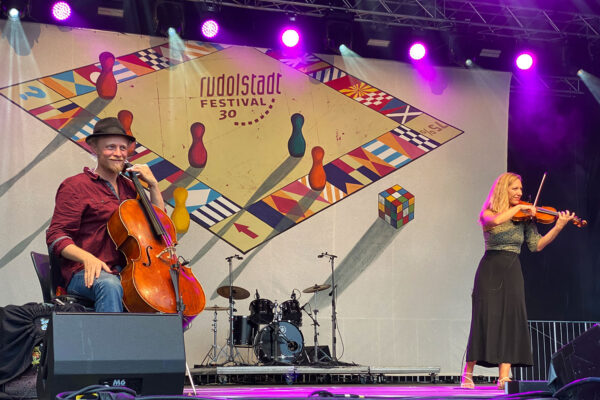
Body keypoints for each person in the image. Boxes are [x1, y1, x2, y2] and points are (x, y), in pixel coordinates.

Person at [461, 172, 575, 390]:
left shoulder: (525, 219)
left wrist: (558, 226)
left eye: (521, 190)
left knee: (511, 321)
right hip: (490, 269)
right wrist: (519, 208)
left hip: (513, 269)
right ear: (504, 189)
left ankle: (504, 375)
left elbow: (537, 245)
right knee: (484, 319)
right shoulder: (489, 213)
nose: (520, 193)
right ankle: (468, 373)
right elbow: (494, 222)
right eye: (515, 189)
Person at [46, 117, 165, 312]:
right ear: (95, 148)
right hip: (84, 273)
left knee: (161, 289)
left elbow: (158, 224)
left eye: (122, 148)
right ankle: (110, 342)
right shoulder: (76, 186)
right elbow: (56, 235)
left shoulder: (130, 187)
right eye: (110, 147)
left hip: (125, 271)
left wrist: (153, 185)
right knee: (109, 285)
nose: (118, 154)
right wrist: (88, 258)